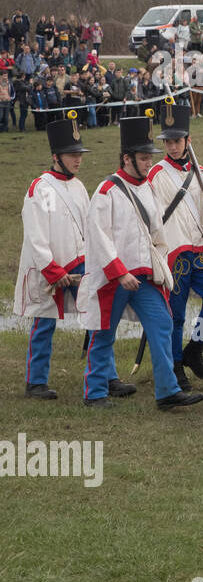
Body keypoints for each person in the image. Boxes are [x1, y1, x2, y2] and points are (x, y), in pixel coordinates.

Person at [78, 116, 203, 411]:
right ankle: (95, 392)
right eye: (144, 158)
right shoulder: (106, 191)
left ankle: (167, 391)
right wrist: (119, 272)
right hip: (114, 278)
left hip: (145, 277)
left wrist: (159, 266)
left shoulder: (148, 189)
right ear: (127, 158)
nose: (149, 163)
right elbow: (99, 237)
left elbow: (157, 234)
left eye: (149, 157)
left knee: (162, 324)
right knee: (104, 333)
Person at [15, 114, 111, 399]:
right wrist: (53, 270)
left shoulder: (79, 186)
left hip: (80, 263)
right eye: (72, 155)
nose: (78, 160)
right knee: (44, 322)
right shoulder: (40, 189)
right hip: (51, 267)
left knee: (98, 316)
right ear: (56, 156)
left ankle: (107, 375)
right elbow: (36, 237)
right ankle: (35, 381)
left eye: (79, 154)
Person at [147, 100, 203, 393]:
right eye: (168, 141)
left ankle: (195, 348)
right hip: (174, 251)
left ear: (188, 140)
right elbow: (151, 215)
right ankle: (176, 364)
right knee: (176, 314)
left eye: (177, 140)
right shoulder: (155, 175)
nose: (172, 146)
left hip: (201, 250)